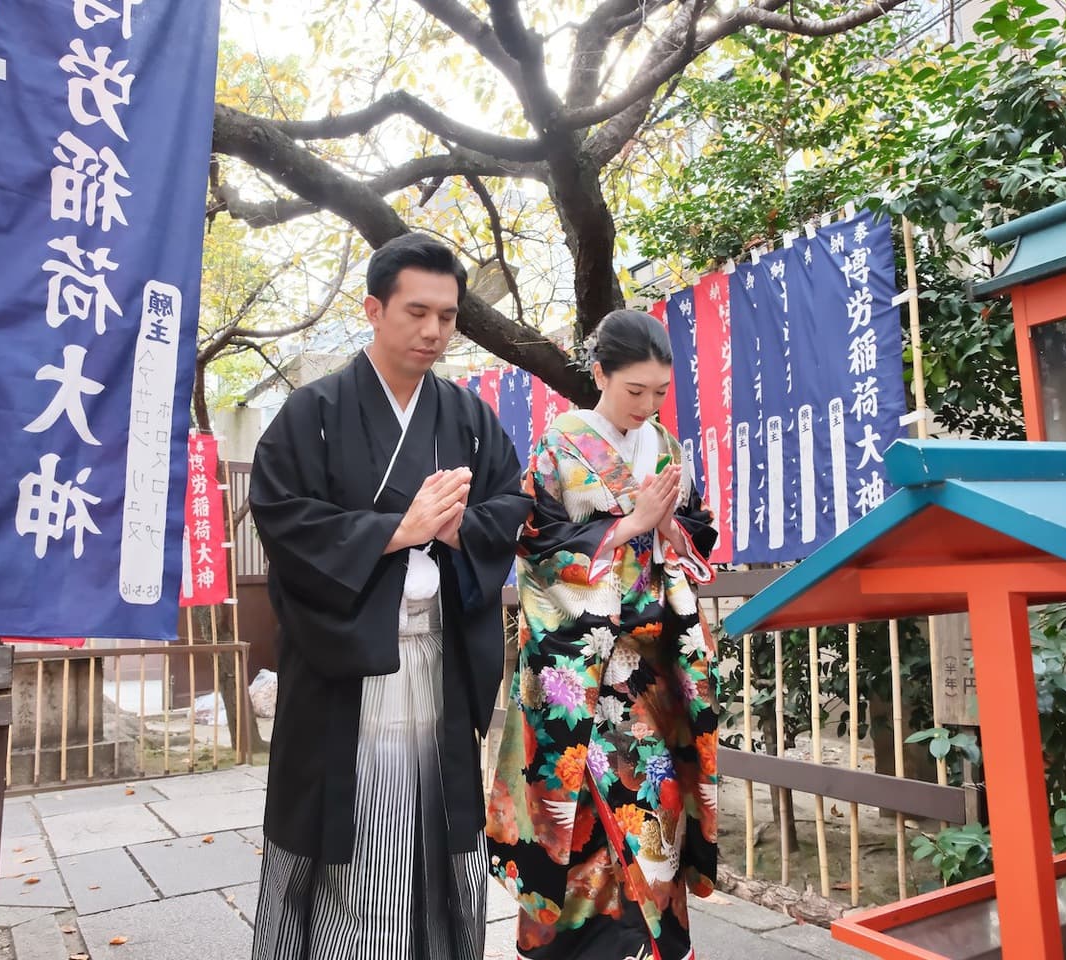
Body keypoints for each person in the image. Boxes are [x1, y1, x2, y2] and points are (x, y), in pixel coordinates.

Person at [248, 232, 533, 960]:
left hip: (435, 663)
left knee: (433, 831)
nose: (434, 331)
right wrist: (395, 530)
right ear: (373, 309)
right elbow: (281, 517)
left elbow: (511, 501)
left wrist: (457, 526)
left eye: (447, 315)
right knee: (351, 841)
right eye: (416, 312)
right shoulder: (312, 412)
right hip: (349, 670)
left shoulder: (464, 417)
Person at [486, 309, 722, 960]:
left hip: (652, 669)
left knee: (660, 813)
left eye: (660, 394)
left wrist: (672, 528)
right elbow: (535, 546)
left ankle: (648, 947)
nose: (647, 406)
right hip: (584, 672)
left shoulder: (667, 449)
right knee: (582, 823)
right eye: (633, 391)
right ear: (599, 374)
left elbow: (695, 535)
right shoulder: (560, 444)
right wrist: (627, 524)